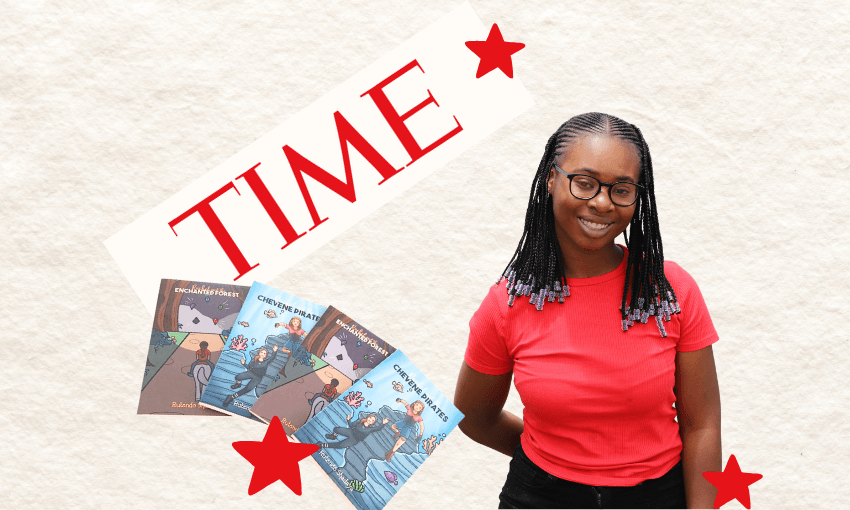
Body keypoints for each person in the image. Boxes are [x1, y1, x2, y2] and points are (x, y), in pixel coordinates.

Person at [454, 113, 721, 509]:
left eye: (622, 190)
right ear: (550, 179)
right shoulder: (508, 303)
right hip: (540, 496)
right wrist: (552, 458)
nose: (601, 202)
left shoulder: (670, 290)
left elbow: (702, 426)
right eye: (584, 183)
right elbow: (474, 416)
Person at [319, 412, 389, 449]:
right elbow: (351, 426)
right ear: (368, 417)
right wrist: (348, 420)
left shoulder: (370, 429)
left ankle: (322, 445)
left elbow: (378, 428)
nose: (370, 420)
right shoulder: (360, 421)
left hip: (355, 439)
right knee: (336, 429)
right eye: (370, 418)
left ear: (373, 423)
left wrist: (383, 423)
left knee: (340, 445)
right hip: (351, 432)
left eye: (372, 420)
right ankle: (333, 436)